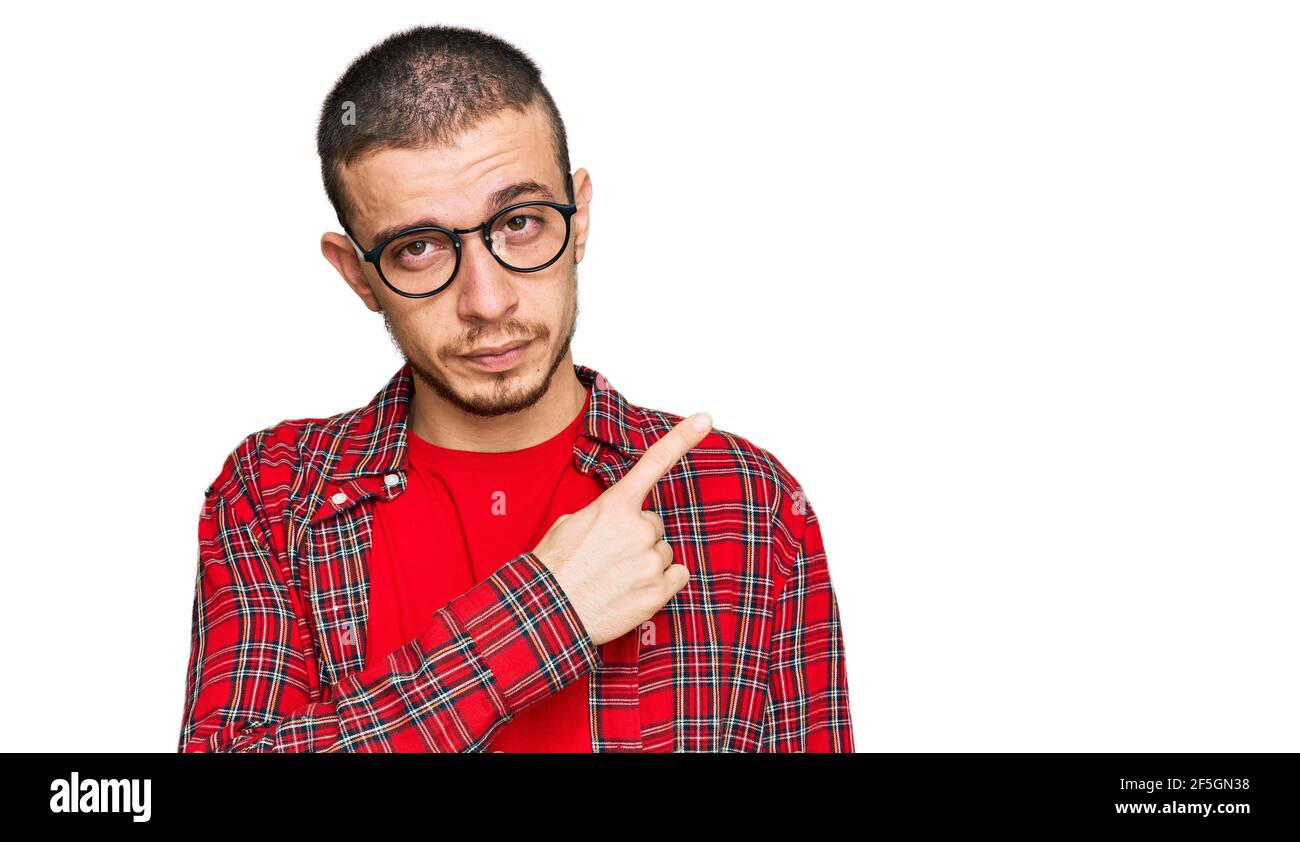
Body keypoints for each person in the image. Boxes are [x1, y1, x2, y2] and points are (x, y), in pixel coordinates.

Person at [177, 24, 853, 752]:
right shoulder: (276, 495)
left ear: (580, 214)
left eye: (522, 223)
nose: (488, 301)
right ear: (357, 274)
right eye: (419, 247)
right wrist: (546, 614)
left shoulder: (741, 498)